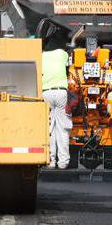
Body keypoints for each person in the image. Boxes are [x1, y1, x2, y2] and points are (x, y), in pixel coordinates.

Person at [42, 38, 72, 169]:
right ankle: (63, 162)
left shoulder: (41, 55)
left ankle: (50, 161)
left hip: (46, 93)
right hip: (61, 93)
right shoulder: (61, 53)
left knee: (49, 130)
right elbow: (70, 59)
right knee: (62, 129)